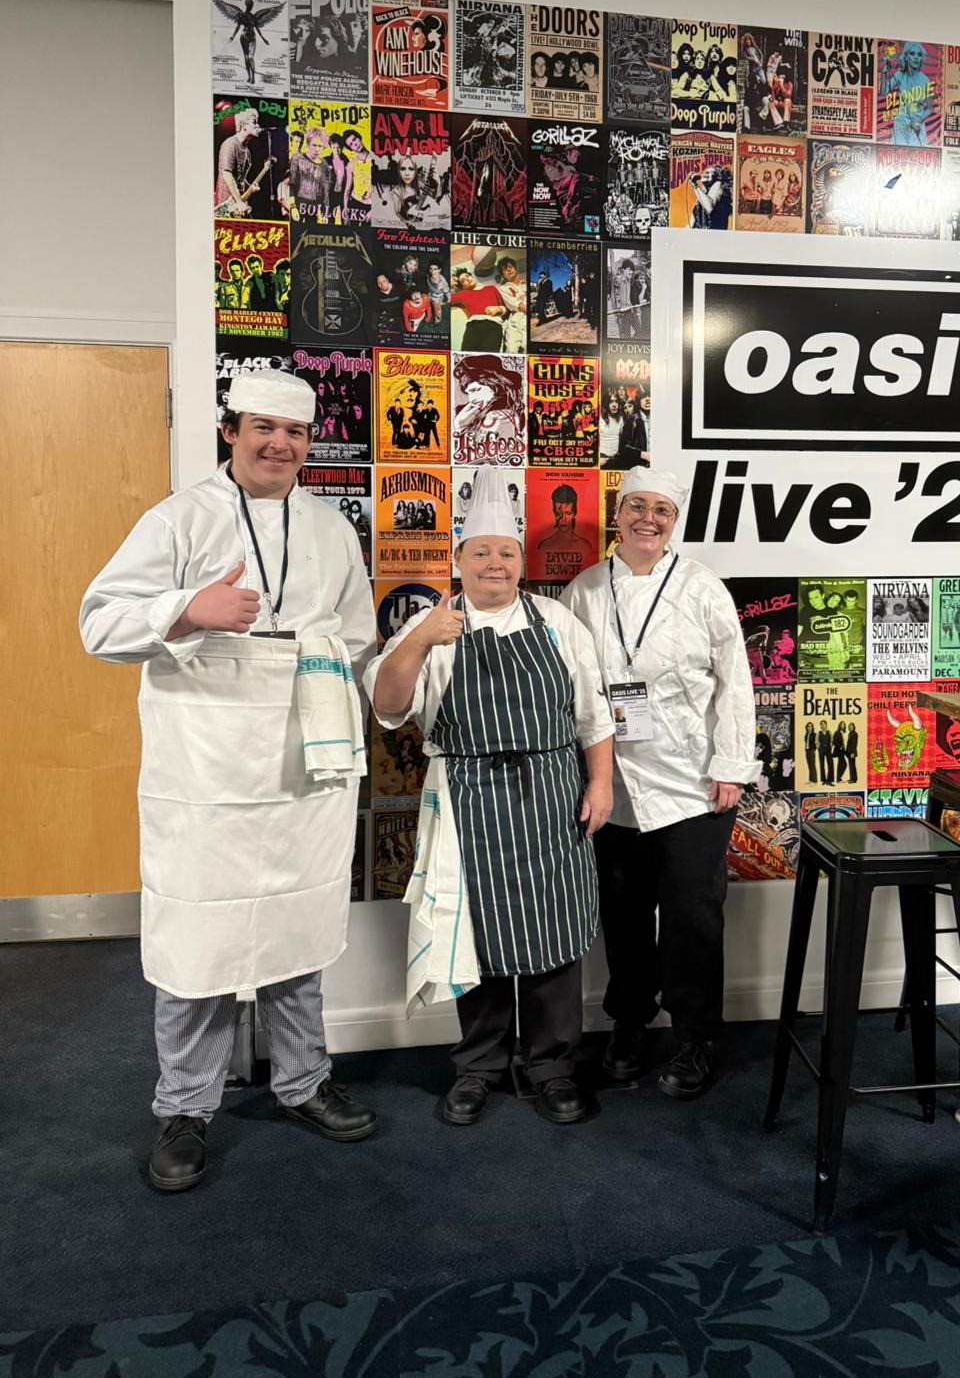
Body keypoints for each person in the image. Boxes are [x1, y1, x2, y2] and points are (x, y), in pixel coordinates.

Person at [79, 370, 378, 1193]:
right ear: (231, 431)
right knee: (198, 938)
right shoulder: (179, 518)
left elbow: (354, 637)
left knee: (298, 919)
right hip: (203, 761)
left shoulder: (331, 530)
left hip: (302, 751)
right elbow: (97, 621)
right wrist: (187, 609)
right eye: (262, 428)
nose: (279, 444)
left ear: (310, 443)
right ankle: (185, 1106)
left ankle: (303, 1081)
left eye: (295, 432)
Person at [364, 468, 614, 1127]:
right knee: (472, 937)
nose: (495, 563)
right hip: (468, 798)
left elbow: (593, 717)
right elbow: (388, 709)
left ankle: (553, 1067)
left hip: (550, 793)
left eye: (506, 553)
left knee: (553, 934)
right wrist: (419, 639)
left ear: (519, 562)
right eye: (481, 552)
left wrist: (601, 783)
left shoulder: (556, 621)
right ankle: (479, 1067)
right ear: (460, 561)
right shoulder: (432, 627)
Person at [561, 467, 759, 1100]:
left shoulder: (703, 589)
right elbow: (568, 682)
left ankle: (697, 1035)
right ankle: (628, 1023)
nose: (648, 518)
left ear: (675, 522)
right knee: (621, 914)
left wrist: (730, 765)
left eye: (662, 511)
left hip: (693, 784)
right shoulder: (584, 590)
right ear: (617, 514)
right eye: (636, 507)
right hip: (612, 781)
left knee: (691, 918)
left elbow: (735, 681)